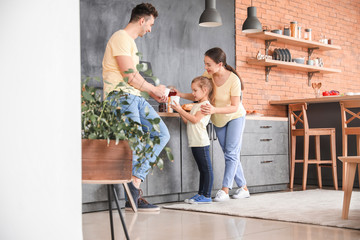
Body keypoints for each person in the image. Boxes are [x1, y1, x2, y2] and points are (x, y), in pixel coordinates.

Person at [102, 3, 170, 211]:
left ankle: (134, 183)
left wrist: (153, 92)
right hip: (120, 97)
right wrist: (153, 89)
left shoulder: (130, 43)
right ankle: (133, 198)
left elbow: (135, 78)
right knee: (136, 143)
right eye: (150, 24)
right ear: (142, 20)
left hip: (134, 97)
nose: (150, 29)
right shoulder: (120, 38)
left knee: (161, 134)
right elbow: (129, 76)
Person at [175, 47, 249, 202]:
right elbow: (200, 94)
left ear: (220, 64)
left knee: (231, 153)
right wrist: (180, 94)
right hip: (218, 118)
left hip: (235, 116)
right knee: (231, 154)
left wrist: (214, 109)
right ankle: (243, 188)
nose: (206, 67)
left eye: (209, 64)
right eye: (205, 64)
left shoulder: (233, 80)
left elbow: (235, 106)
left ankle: (225, 190)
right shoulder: (207, 75)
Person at [171, 76, 214, 204]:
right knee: (202, 169)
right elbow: (188, 121)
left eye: (195, 91)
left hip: (201, 142)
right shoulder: (197, 105)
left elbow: (195, 120)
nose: (193, 94)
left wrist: (180, 109)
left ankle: (206, 195)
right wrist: (180, 111)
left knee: (206, 169)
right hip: (195, 142)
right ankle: (201, 194)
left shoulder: (205, 105)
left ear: (205, 90)